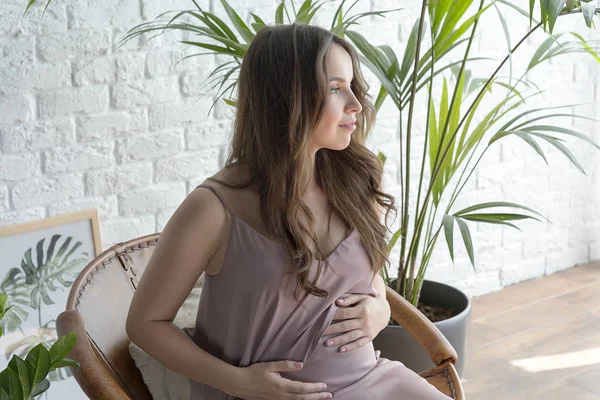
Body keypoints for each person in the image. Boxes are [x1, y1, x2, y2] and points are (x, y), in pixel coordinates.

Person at [126, 23, 452, 400]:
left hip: (371, 382)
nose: (355, 103)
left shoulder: (355, 179)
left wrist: (379, 304)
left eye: (351, 85)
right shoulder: (213, 208)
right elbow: (145, 323)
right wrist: (236, 381)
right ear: (287, 97)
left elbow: (365, 272)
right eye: (334, 88)